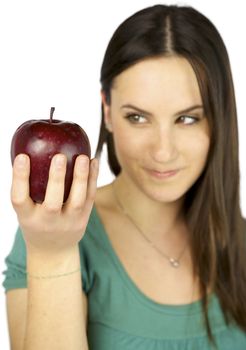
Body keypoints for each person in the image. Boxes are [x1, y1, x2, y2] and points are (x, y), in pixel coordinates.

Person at [2, 4, 246, 350]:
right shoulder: (53, 235)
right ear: (108, 111)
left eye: (187, 119)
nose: (163, 151)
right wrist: (52, 254)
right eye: (138, 117)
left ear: (218, 118)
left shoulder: (240, 242)